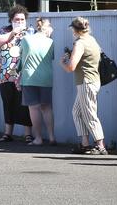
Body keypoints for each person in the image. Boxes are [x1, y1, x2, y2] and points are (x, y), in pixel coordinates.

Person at [59, 17, 107, 155]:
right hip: (92, 80)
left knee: (90, 114)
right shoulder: (92, 40)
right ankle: (85, 144)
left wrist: (62, 62)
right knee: (77, 112)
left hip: (86, 82)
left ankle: (100, 146)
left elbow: (71, 67)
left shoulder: (80, 43)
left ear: (74, 30)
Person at [0, 4, 33, 143]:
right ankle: (8, 133)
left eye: (22, 19)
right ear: (11, 20)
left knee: (25, 105)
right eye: (17, 19)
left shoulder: (30, 32)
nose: (20, 22)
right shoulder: (4, 31)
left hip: (24, 76)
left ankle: (28, 134)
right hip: (5, 75)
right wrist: (12, 34)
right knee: (8, 104)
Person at [20, 17, 56, 146]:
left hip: (29, 77)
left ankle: (38, 138)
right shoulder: (50, 42)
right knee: (47, 107)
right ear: (47, 28)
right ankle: (52, 137)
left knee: (34, 108)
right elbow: (50, 58)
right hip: (46, 77)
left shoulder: (26, 40)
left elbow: (21, 59)